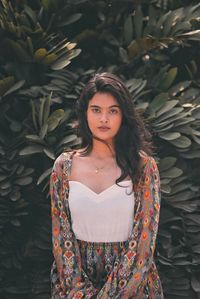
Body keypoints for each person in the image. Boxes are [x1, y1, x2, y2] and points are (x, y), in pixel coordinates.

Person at [50, 72, 164, 298]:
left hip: (133, 287)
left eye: (113, 111)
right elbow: (61, 239)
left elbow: (144, 243)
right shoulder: (64, 166)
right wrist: (79, 292)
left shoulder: (143, 167)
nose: (104, 119)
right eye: (96, 110)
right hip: (74, 287)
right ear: (85, 113)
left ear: (123, 116)